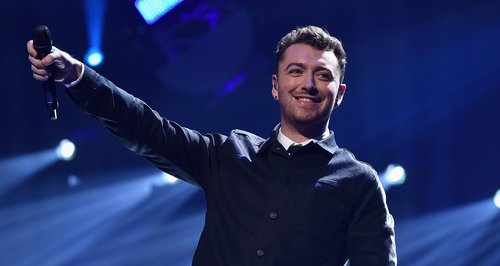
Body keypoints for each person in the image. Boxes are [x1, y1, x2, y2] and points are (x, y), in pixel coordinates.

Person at [28, 25, 397, 266]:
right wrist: (78, 75)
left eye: (323, 75)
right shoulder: (230, 155)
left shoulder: (358, 182)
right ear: (274, 85)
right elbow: (148, 129)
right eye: (296, 71)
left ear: (340, 94)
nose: (309, 84)